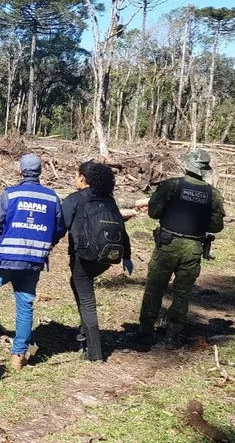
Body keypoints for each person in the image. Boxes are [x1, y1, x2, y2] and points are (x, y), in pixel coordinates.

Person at [0, 154, 65, 372]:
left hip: (5, 259)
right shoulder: (53, 199)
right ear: (40, 172)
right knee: (25, 304)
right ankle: (18, 356)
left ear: (20, 171)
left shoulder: (10, 195)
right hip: (34, 261)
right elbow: (59, 229)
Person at [132, 149, 225, 348]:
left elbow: (154, 212)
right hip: (193, 248)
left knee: (155, 288)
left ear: (188, 166)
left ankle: (145, 333)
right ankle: (172, 336)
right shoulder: (214, 195)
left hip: (168, 244)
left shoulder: (171, 186)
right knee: (182, 293)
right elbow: (217, 225)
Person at [61, 161, 134, 362]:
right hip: (106, 257)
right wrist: (126, 257)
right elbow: (122, 230)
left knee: (87, 299)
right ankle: (85, 331)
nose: (75, 179)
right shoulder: (109, 201)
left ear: (83, 178)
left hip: (83, 256)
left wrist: (44, 247)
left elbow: (60, 226)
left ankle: (94, 351)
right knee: (77, 284)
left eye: (76, 175)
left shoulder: (74, 199)